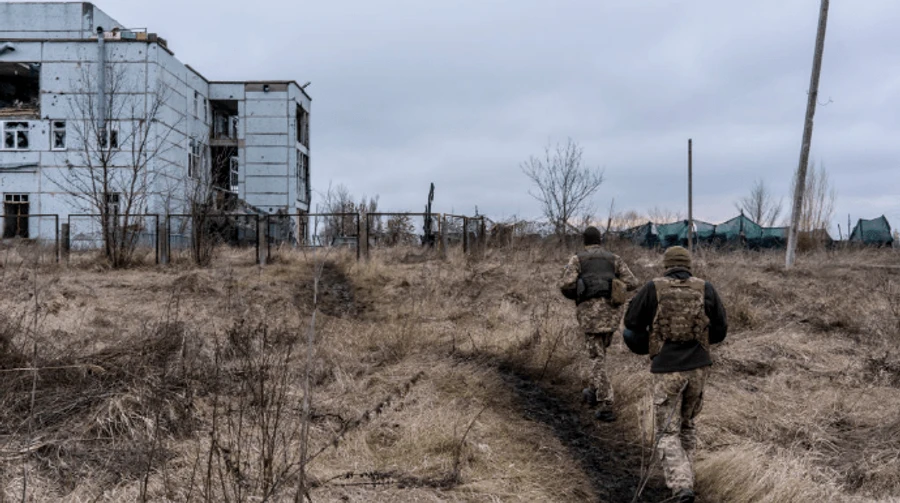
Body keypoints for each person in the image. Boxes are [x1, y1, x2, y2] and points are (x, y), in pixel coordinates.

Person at [622, 246, 727, 503]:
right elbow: (721, 328)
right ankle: (687, 476)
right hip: (698, 368)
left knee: (666, 432)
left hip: (667, 368)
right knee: (688, 425)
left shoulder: (653, 288)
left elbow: (631, 324)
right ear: (688, 265)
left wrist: (651, 342)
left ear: (666, 265)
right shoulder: (706, 288)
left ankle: (681, 488)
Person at [559, 226, 638, 422]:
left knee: (596, 357)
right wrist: (613, 288)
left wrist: (579, 289)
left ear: (584, 241)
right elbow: (632, 281)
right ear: (600, 240)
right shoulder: (614, 258)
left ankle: (607, 403)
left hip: (590, 315)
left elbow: (566, 283)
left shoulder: (578, 258)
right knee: (600, 353)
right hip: (612, 314)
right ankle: (593, 391)